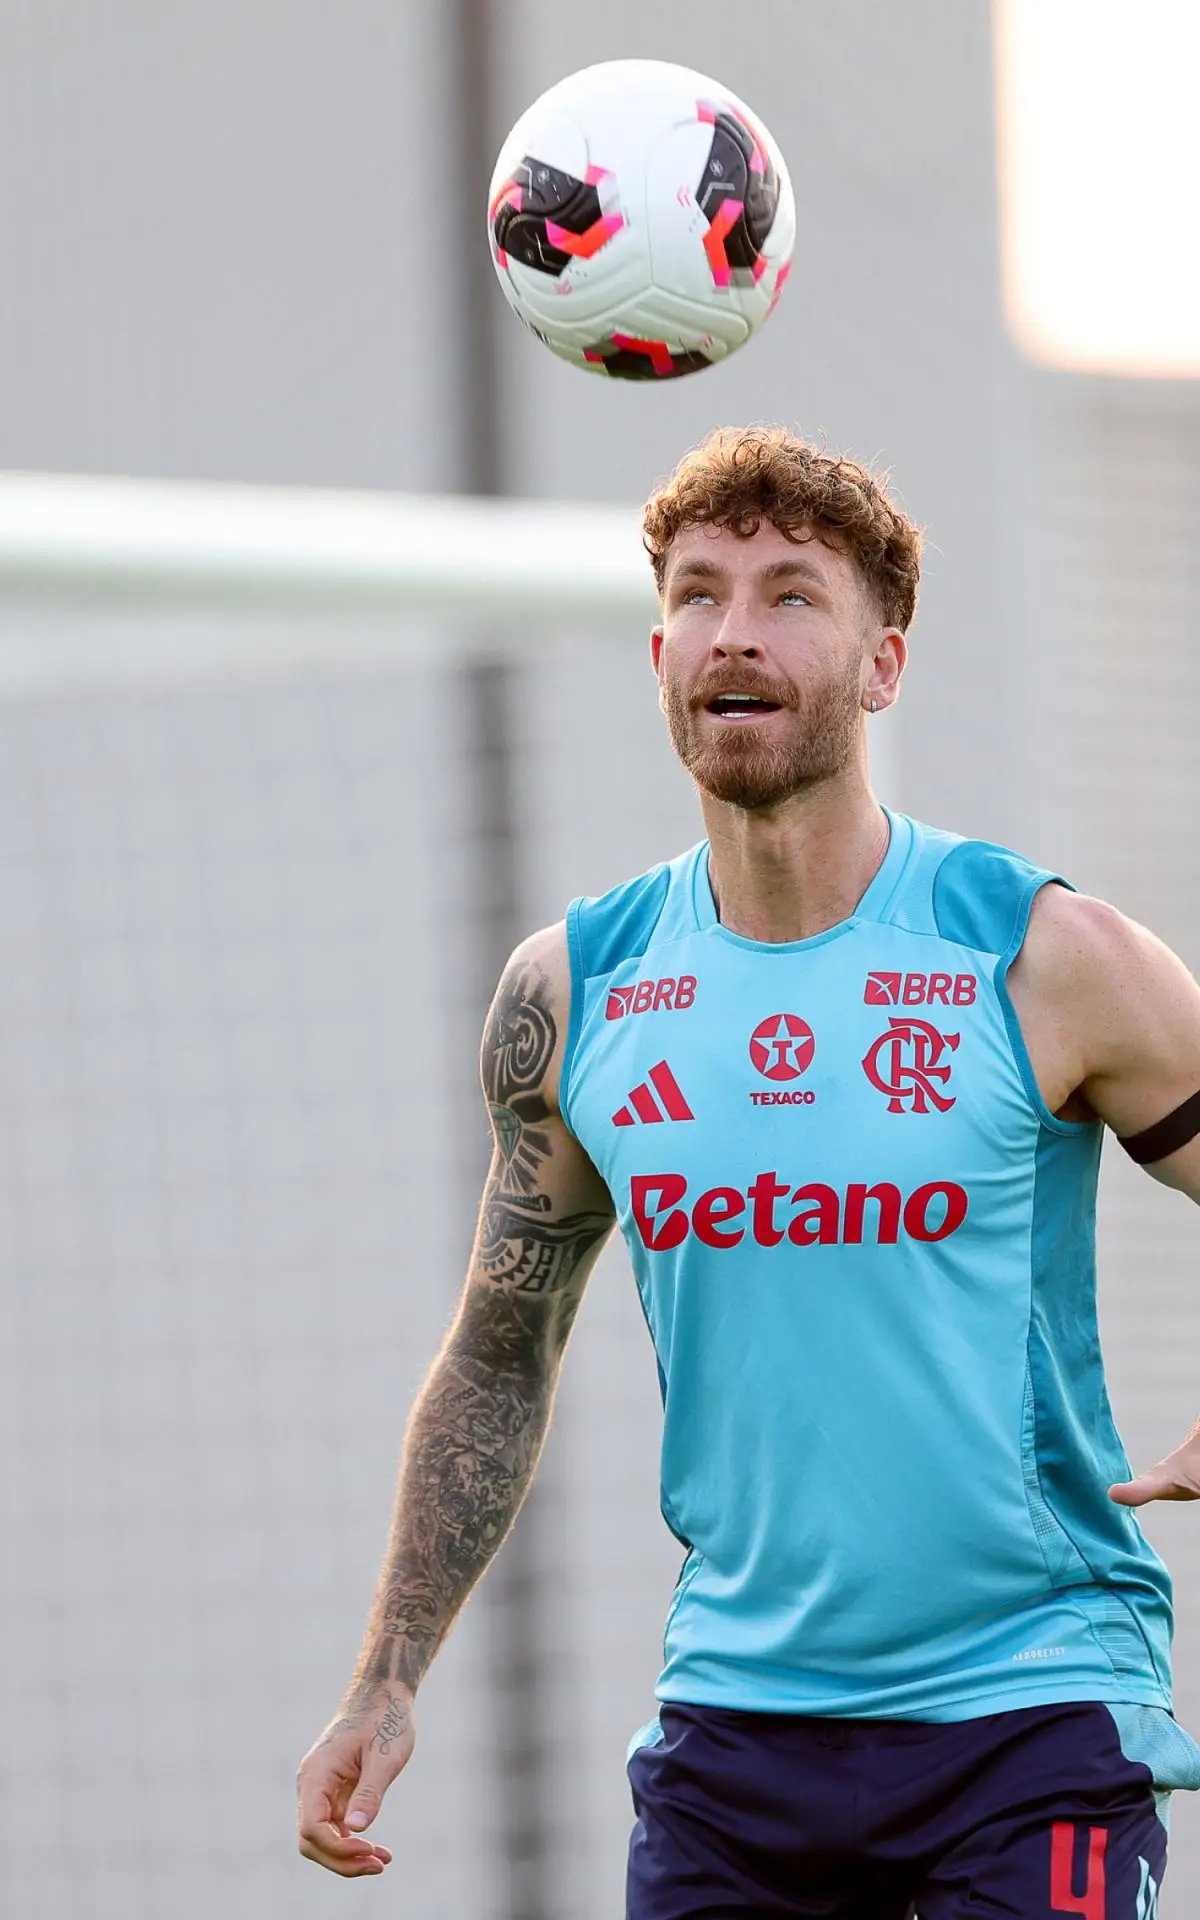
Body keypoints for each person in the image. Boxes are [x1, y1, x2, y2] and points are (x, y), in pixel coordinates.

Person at [296, 425, 1200, 1915]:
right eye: (702, 594)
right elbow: (499, 1355)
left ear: (884, 665)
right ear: (660, 657)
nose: (735, 630)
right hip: (734, 1737)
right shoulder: (577, 993)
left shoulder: (1040, 958)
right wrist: (385, 1680)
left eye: (791, 594)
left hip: (1031, 1714)